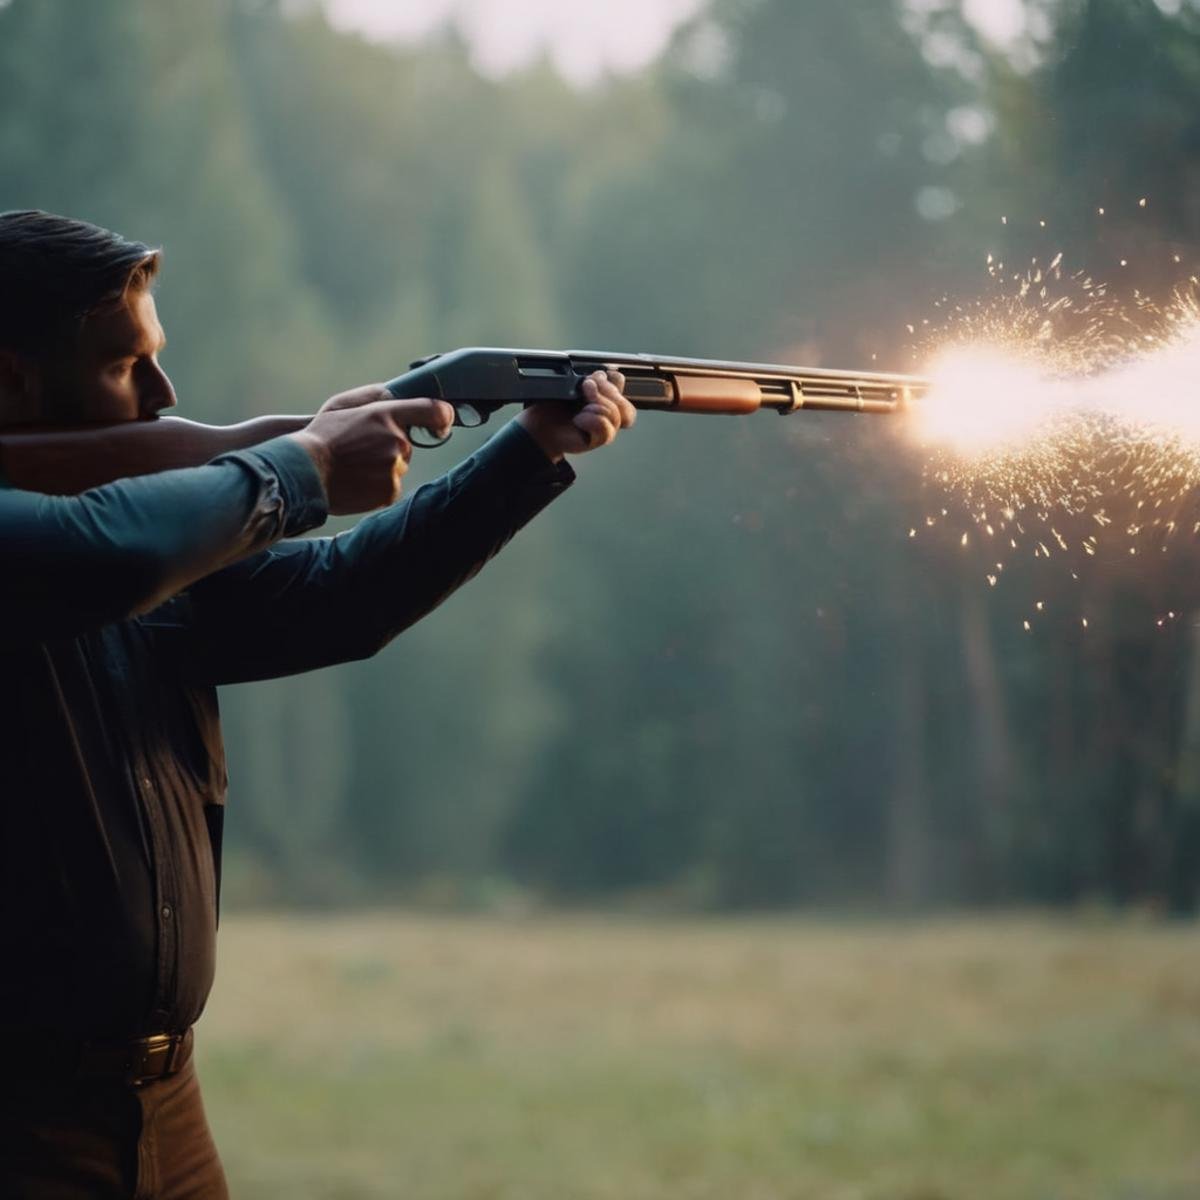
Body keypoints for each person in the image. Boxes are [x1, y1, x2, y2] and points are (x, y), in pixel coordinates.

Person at [0, 209, 636, 1198]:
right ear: (12, 381)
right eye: (130, 364)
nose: (167, 394)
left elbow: (333, 603)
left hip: (164, 1108)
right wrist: (300, 467)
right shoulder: (96, 544)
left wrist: (522, 455)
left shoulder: (150, 536)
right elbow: (110, 554)